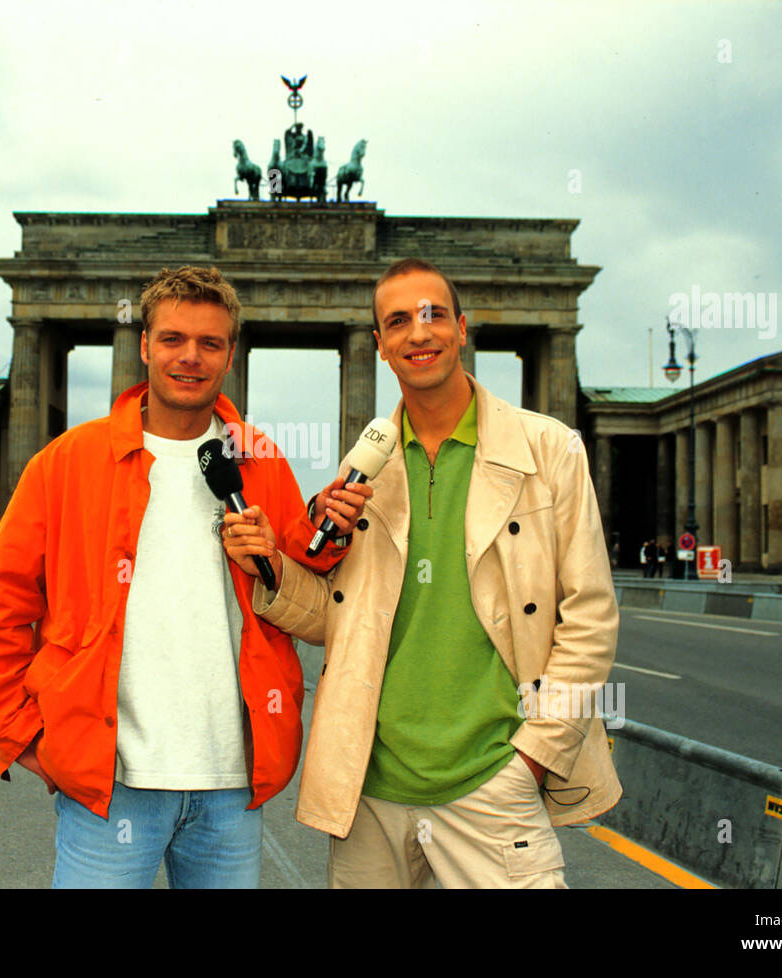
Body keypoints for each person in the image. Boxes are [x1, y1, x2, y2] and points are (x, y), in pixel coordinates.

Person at [0, 265, 369, 889]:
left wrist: (327, 533)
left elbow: (304, 590)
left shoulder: (259, 460)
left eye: (210, 343)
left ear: (231, 354)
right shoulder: (66, 463)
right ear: (144, 345)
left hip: (232, 785)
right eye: (173, 339)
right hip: (111, 786)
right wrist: (25, 737)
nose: (190, 357)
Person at [223, 258, 621, 888]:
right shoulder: (365, 471)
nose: (419, 332)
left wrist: (537, 756)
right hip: (373, 791)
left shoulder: (550, 451)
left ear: (462, 329)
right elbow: (340, 619)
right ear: (378, 346)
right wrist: (272, 567)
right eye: (398, 321)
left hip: (494, 782)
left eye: (434, 314)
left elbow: (591, 617)